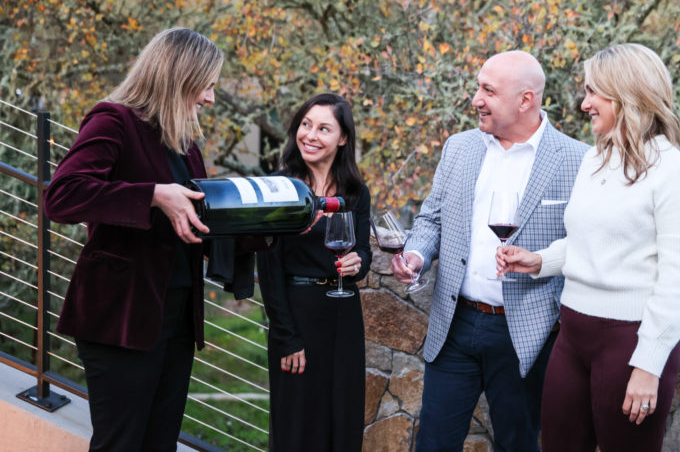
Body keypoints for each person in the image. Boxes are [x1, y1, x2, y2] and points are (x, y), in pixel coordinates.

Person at [44, 28, 270, 451]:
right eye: (207, 85)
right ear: (179, 76)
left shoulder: (185, 144)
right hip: (119, 317)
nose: (210, 99)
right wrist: (151, 195)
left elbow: (200, 223)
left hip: (176, 317)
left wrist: (275, 229)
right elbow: (61, 196)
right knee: (122, 444)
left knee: (159, 444)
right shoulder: (113, 120)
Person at [496, 43, 680, 452]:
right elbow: (588, 241)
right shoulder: (595, 159)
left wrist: (648, 364)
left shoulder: (672, 170)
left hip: (628, 343)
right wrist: (540, 260)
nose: (584, 103)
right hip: (572, 335)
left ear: (626, 94)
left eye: (593, 92)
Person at [391, 51, 589, 451]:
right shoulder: (459, 147)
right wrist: (416, 254)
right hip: (455, 326)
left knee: (519, 444)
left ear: (525, 100)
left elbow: (585, 242)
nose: (476, 99)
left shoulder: (578, 159)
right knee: (432, 443)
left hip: (528, 335)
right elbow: (431, 218)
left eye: (488, 91)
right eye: (478, 87)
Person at [255, 93, 371, 451]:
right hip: (297, 317)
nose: (310, 135)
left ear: (343, 138)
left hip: (344, 316)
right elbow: (269, 269)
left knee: (343, 420)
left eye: (323, 128)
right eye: (306, 125)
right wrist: (288, 337)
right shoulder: (280, 188)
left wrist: (358, 263)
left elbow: (363, 251)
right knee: (297, 426)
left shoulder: (355, 192)